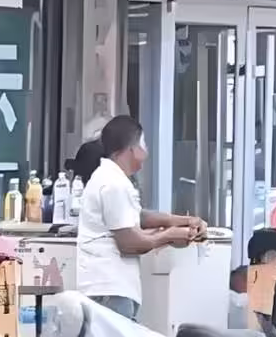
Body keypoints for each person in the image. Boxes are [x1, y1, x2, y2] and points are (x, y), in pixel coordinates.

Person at [75, 115, 207, 321]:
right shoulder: (113, 184)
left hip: (108, 288)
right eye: (143, 144)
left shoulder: (111, 178)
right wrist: (169, 235)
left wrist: (182, 221)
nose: (146, 152)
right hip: (110, 290)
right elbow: (130, 243)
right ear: (131, 149)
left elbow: (136, 216)